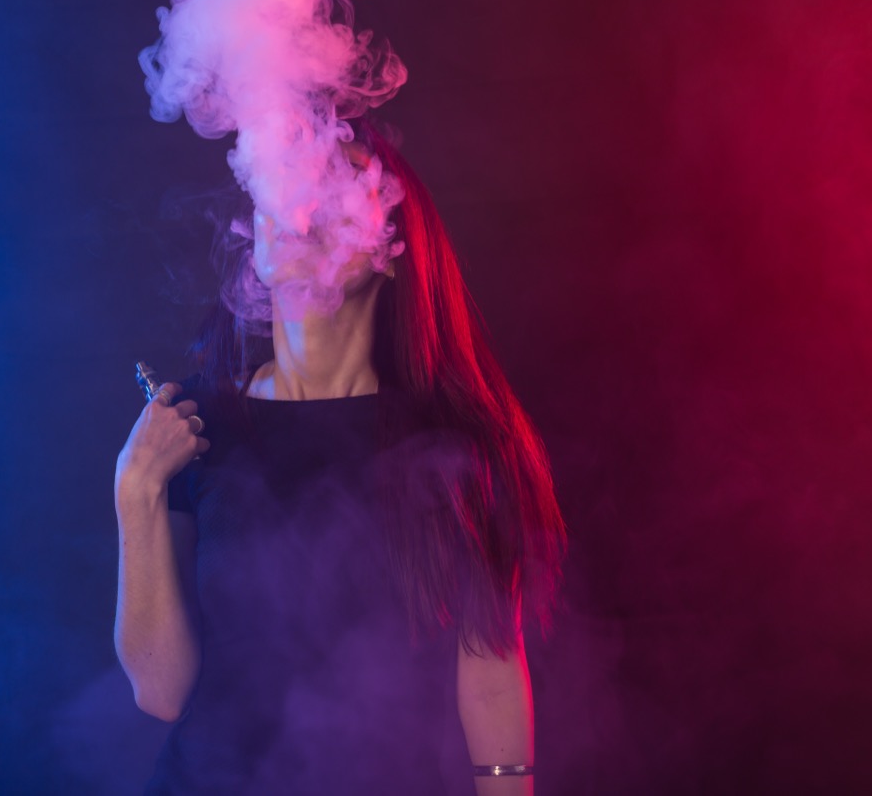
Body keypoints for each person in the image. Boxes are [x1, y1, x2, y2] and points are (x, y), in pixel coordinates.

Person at [114, 119, 567, 795]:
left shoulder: (461, 444)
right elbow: (160, 690)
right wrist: (136, 493)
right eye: (287, 184)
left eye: (333, 185)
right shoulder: (195, 430)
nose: (299, 201)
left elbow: (493, 679)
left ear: (390, 246)